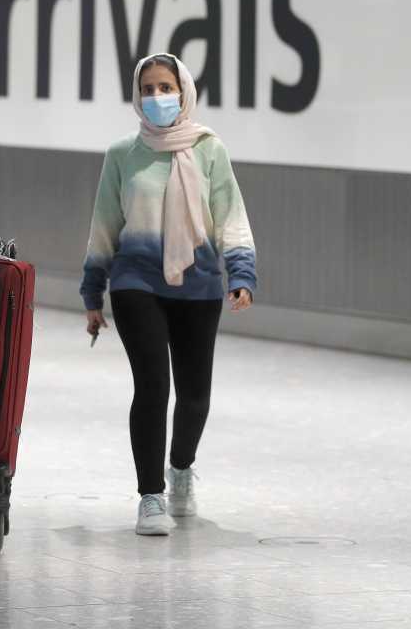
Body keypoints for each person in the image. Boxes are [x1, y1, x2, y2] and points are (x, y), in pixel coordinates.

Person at [81, 52, 256, 536]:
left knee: (195, 395)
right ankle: (150, 496)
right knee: (153, 385)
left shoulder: (209, 150)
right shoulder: (122, 154)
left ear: (183, 92)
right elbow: (104, 226)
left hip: (199, 284)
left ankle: (180, 468)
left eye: (165, 87)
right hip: (136, 282)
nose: (156, 97)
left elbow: (231, 215)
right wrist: (93, 292)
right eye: (148, 89)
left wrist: (241, 274)